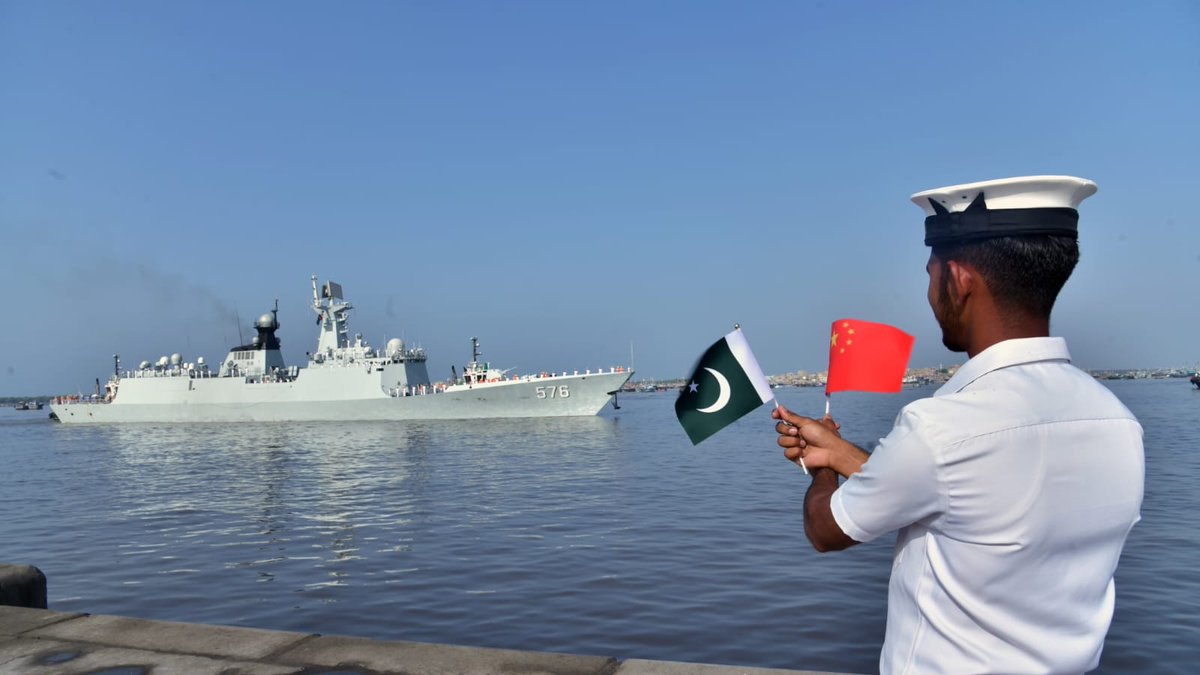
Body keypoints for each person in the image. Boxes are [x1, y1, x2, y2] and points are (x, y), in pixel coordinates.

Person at [772, 176, 1144, 673]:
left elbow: (827, 529)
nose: (929, 293)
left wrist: (821, 469)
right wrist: (840, 452)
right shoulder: (1118, 423)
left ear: (960, 279)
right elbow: (979, 503)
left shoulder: (941, 428)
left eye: (931, 275)